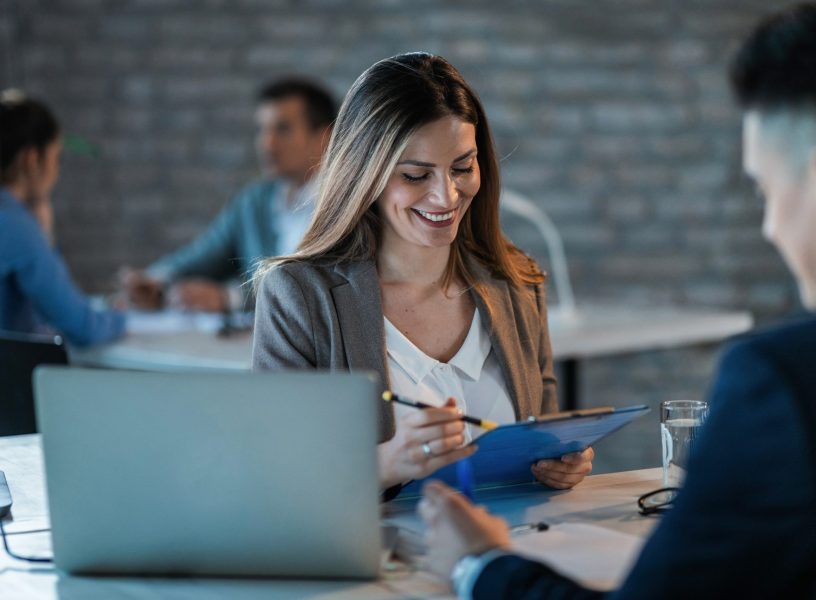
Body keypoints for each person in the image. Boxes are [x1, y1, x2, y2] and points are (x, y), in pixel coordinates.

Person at [418, 4, 816, 598]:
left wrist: (478, 564)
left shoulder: (783, 381)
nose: (768, 227)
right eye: (414, 174)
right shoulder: (307, 293)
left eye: (766, 188)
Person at [252, 53, 594, 496]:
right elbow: (271, 475)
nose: (446, 195)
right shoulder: (299, 296)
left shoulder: (516, 282)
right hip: (381, 559)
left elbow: (542, 433)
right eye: (416, 175)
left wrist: (558, 463)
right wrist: (384, 464)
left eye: (462, 167)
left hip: (508, 554)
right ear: (365, 173)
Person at [124, 78, 337, 313]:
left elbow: (321, 291)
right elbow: (203, 256)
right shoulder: (254, 201)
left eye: (282, 129)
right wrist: (155, 282)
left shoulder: (347, 205)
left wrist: (230, 298)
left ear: (324, 137)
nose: (266, 144)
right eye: (263, 129)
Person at [0, 90, 125, 346]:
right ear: (32, 159)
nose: (56, 173)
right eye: (56, 158)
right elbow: (82, 327)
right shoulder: (15, 224)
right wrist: (124, 316)